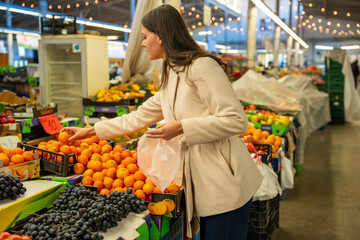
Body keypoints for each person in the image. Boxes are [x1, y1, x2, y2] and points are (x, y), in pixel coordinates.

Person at [62, 4, 262, 240]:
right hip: (205, 182)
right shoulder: (173, 72)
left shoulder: (202, 67)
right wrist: (91, 130)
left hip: (225, 182)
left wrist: (181, 127)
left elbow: (236, 120)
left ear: (162, 36)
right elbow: (138, 117)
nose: (143, 43)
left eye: (146, 36)